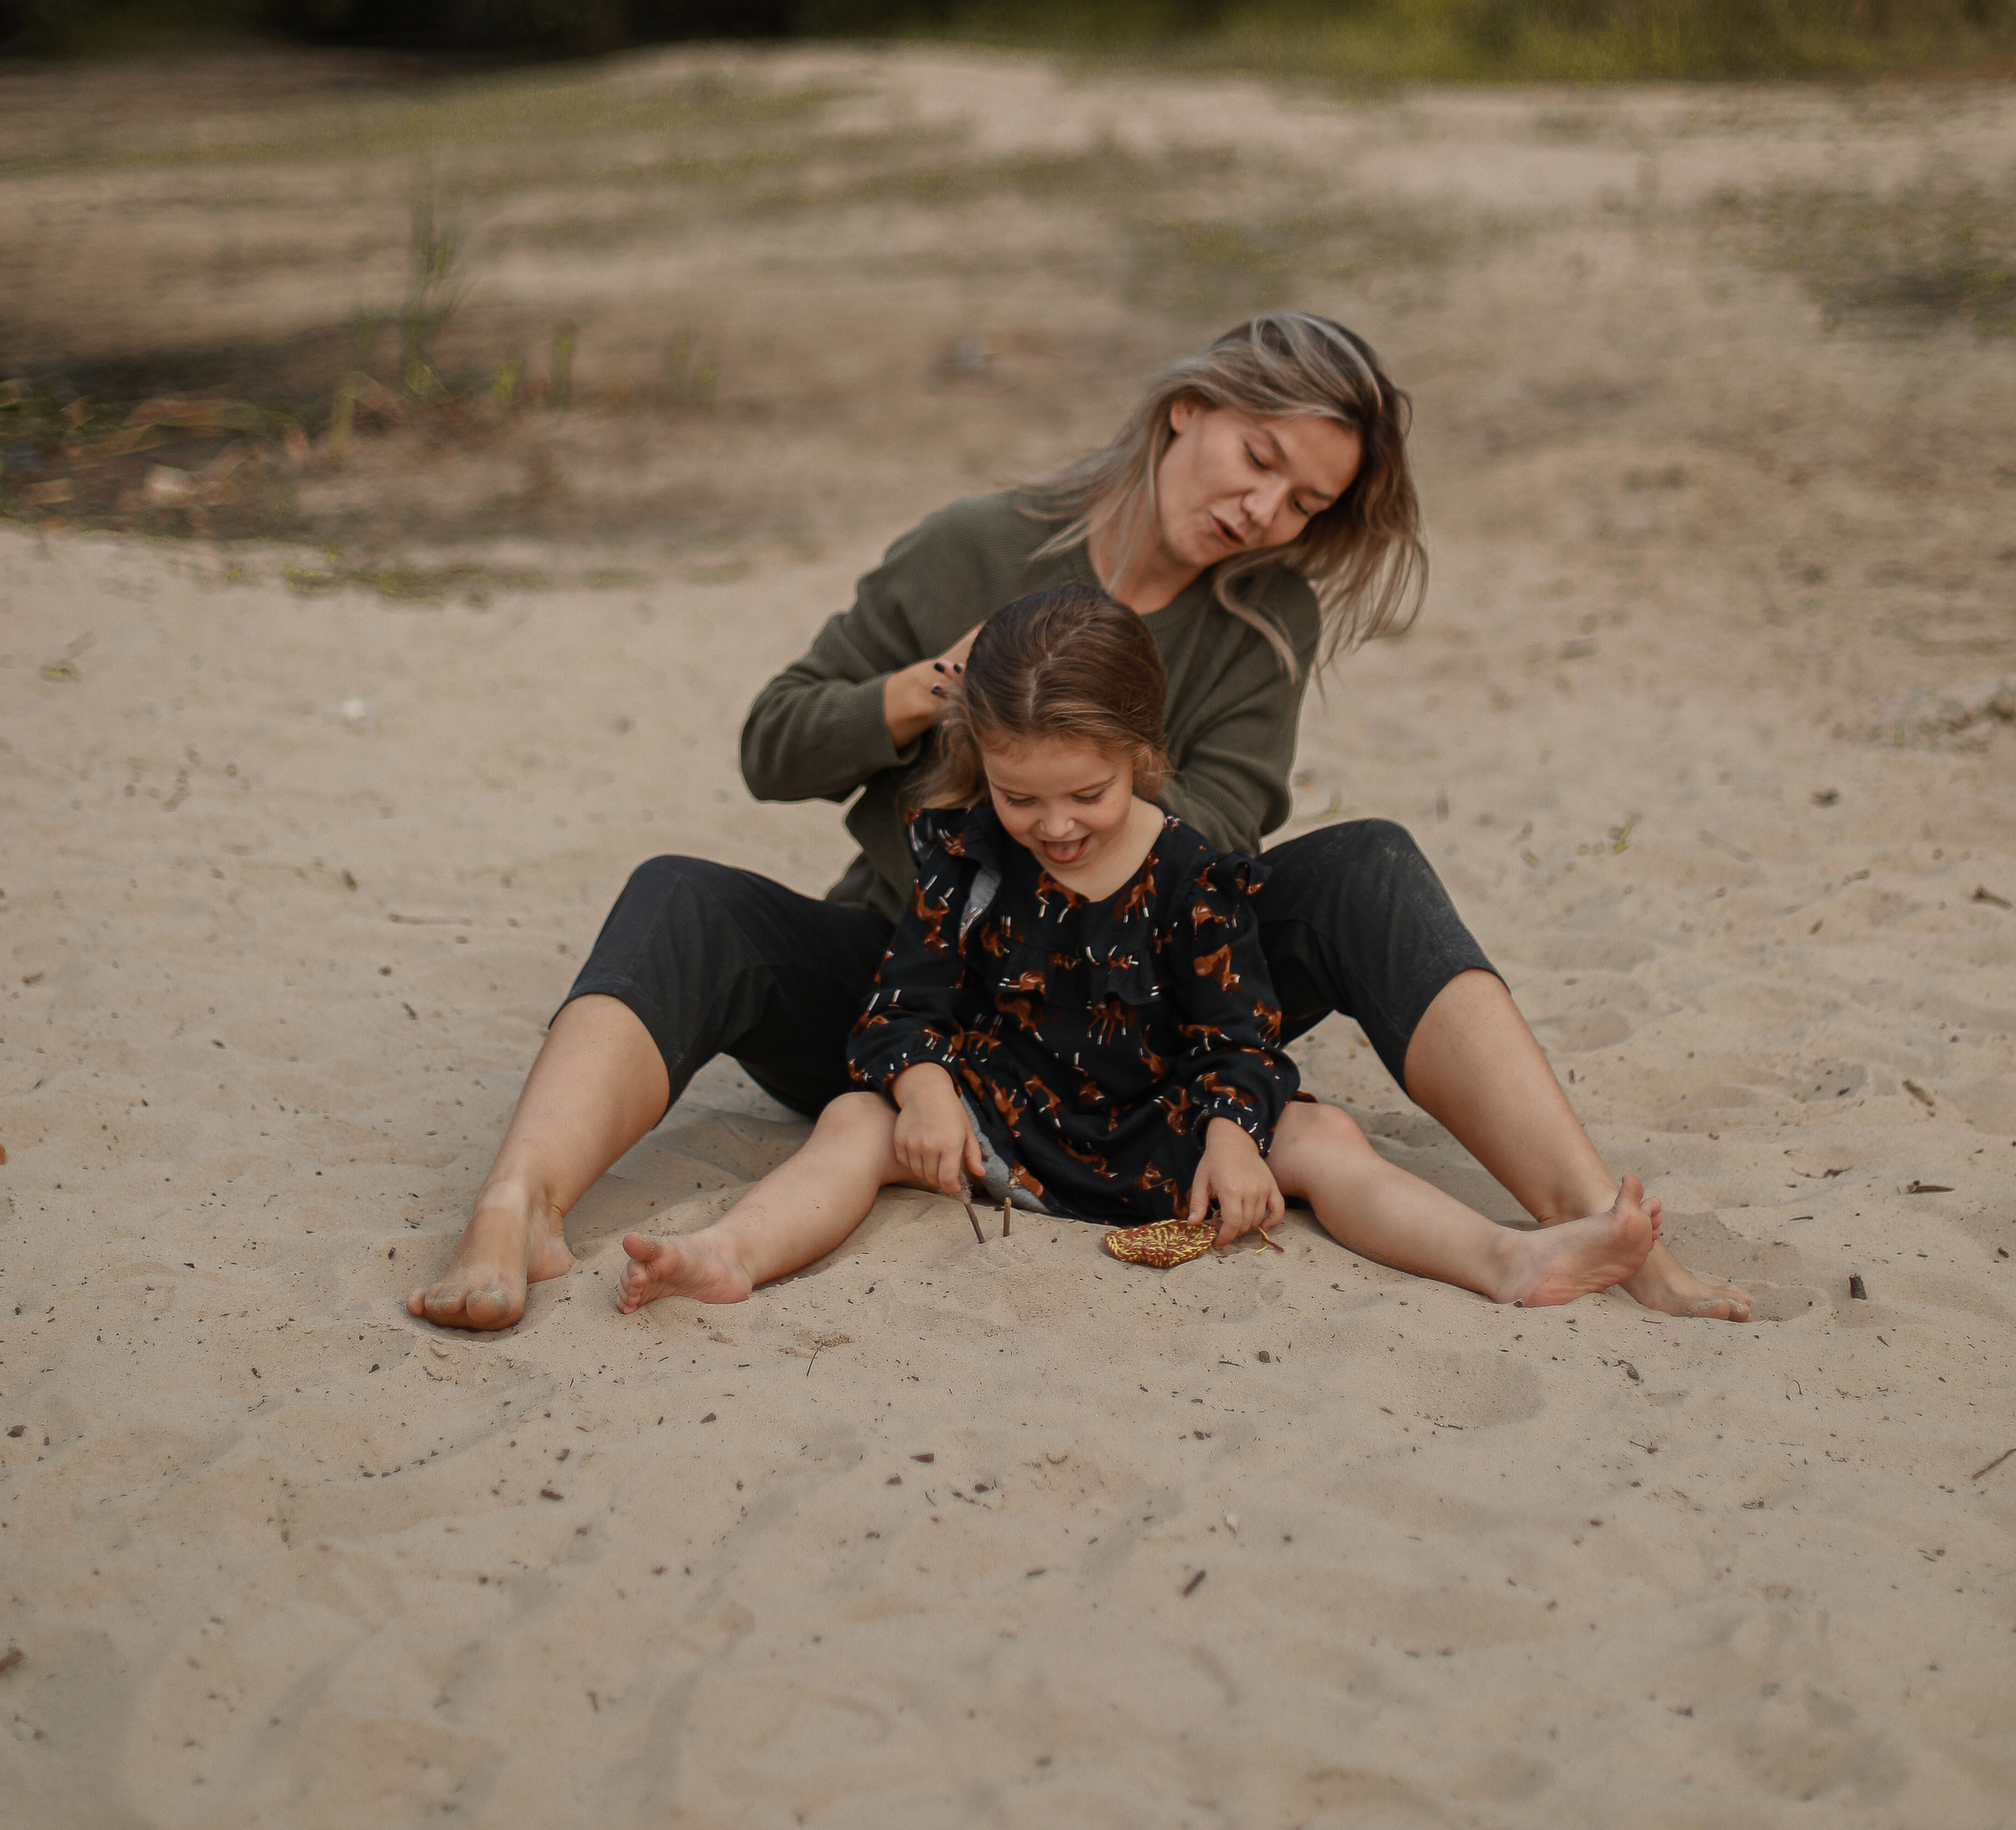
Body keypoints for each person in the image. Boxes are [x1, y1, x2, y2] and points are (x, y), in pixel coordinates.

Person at [408, 308, 1749, 1330]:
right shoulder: (975, 544)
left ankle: (1592, 1215)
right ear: (1188, 410)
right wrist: (960, 691)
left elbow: (1223, 832)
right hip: (913, 991)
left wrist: (1091, 763)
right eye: (1259, 458)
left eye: (1305, 502)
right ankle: (517, 1207)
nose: (1261, 510)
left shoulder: (1262, 618)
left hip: (1141, 1011)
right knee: (680, 894)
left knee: (1371, 866)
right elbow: (775, 742)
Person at [612, 588, 1666, 1311]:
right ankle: (730, 1255)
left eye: (1088, 795)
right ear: (981, 767)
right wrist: (926, 1086)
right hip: (1005, 1119)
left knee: (1327, 1138)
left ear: (1143, 760)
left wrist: (1231, 1135)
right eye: (1021, 796)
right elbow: (901, 1008)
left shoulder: (1191, 875)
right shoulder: (965, 857)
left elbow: (1240, 1038)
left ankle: (1505, 1261)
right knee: (854, 1116)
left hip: (1164, 1128)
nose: (1057, 824)